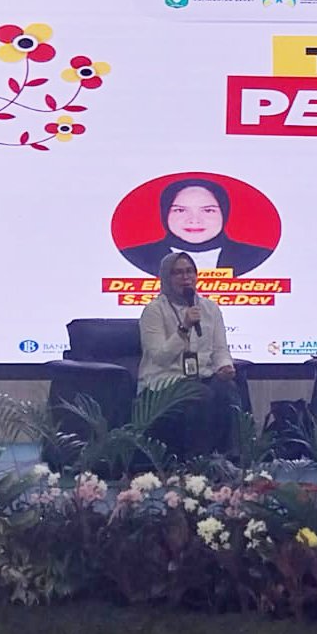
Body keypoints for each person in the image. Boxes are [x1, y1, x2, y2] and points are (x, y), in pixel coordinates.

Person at [138, 252, 240, 458]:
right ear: (166, 278)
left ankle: (231, 459)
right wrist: (184, 328)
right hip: (164, 380)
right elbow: (160, 357)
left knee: (228, 390)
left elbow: (220, 349)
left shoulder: (210, 308)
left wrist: (224, 366)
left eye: (189, 271)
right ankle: (197, 463)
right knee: (201, 396)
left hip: (202, 376)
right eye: (178, 273)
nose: (185, 277)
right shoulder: (154, 310)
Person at [121, 177, 273, 276]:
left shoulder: (256, 256)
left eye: (208, 210)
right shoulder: (136, 256)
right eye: (180, 210)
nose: (194, 220)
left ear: (224, 212)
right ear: (165, 213)